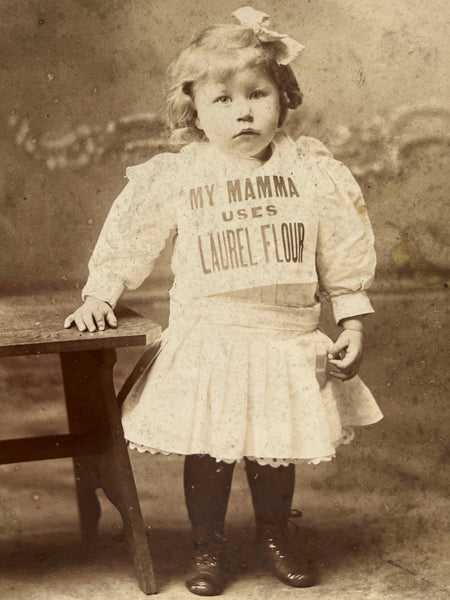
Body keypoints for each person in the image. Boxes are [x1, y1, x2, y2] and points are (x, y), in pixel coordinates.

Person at [64, 7, 383, 596]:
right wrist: (100, 292)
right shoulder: (180, 175)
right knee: (210, 451)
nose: (242, 112)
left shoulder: (312, 171)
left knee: (274, 448)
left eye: (257, 95)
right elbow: (131, 237)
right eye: (222, 100)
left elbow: (343, 252)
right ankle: (208, 546)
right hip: (210, 334)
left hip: (284, 334)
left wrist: (354, 324)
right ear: (194, 112)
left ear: (283, 99)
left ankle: (273, 534)